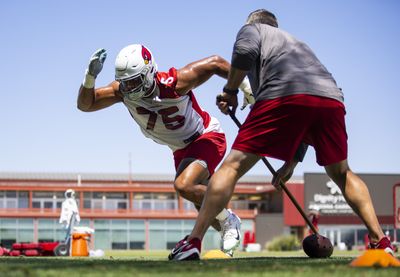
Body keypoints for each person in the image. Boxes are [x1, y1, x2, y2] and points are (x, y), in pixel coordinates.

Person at [169, 9, 394, 260]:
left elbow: (243, 53)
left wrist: (230, 90)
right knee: (342, 173)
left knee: (232, 167)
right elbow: (306, 107)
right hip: (330, 99)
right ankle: (381, 241)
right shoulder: (297, 44)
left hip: (283, 94)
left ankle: (193, 241)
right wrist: (291, 164)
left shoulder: (252, 29)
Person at [77, 44, 254, 256]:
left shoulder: (174, 83)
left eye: (135, 80)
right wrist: (89, 77)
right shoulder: (121, 91)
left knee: (184, 185)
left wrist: (243, 86)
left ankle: (230, 220)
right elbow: (86, 105)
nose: (130, 88)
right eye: (126, 82)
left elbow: (215, 62)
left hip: (205, 136)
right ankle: (227, 223)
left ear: (150, 72)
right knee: (203, 204)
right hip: (180, 149)